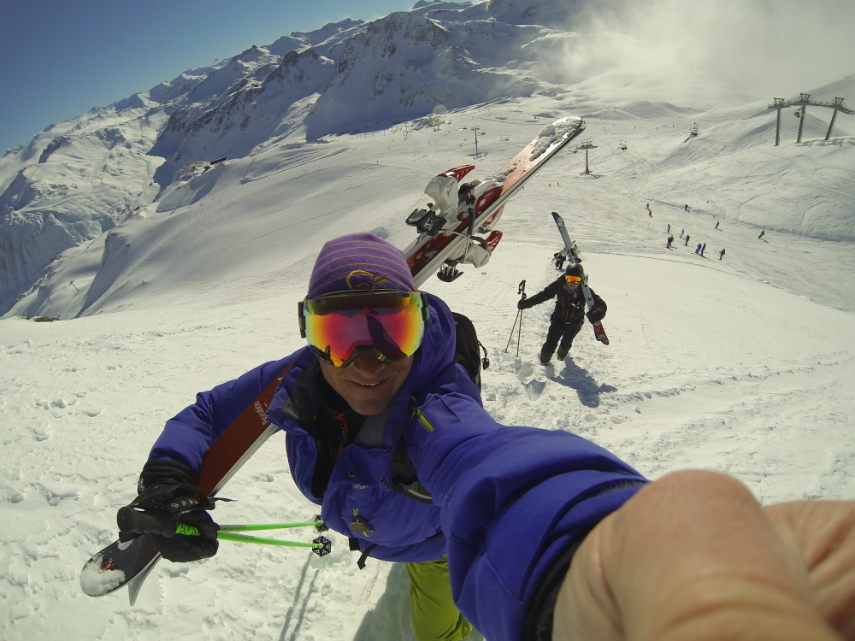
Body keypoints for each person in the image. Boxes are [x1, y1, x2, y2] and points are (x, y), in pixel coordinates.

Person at [117, 233, 855, 641]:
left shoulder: (435, 405)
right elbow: (210, 415)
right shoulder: (294, 377)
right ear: (308, 335)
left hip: (440, 548)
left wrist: (584, 555)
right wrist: (168, 478)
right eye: (341, 333)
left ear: (419, 320)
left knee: (438, 631)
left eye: (392, 328)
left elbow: (489, 465)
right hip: (382, 524)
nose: (369, 360)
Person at [516, 261, 606, 364]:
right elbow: (543, 295)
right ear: (565, 277)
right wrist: (527, 303)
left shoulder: (585, 290)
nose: (572, 283)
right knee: (548, 348)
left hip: (575, 323)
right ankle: (543, 364)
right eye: (570, 279)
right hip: (558, 321)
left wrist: (598, 313)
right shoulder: (559, 284)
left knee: (566, 345)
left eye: (576, 280)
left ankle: (561, 357)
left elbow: (601, 305)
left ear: (581, 279)